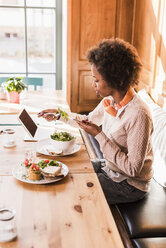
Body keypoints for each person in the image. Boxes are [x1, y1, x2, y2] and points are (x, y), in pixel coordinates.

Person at [38, 38, 153, 205]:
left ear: (115, 79)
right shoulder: (111, 100)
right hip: (111, 168)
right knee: (65, 171)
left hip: (130, 185)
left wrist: (99, 135)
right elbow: (88, 121)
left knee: (70, 187)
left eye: (97, 80)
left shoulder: (139, 114)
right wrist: (59, 115)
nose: (93, 84)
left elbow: (133, 170)